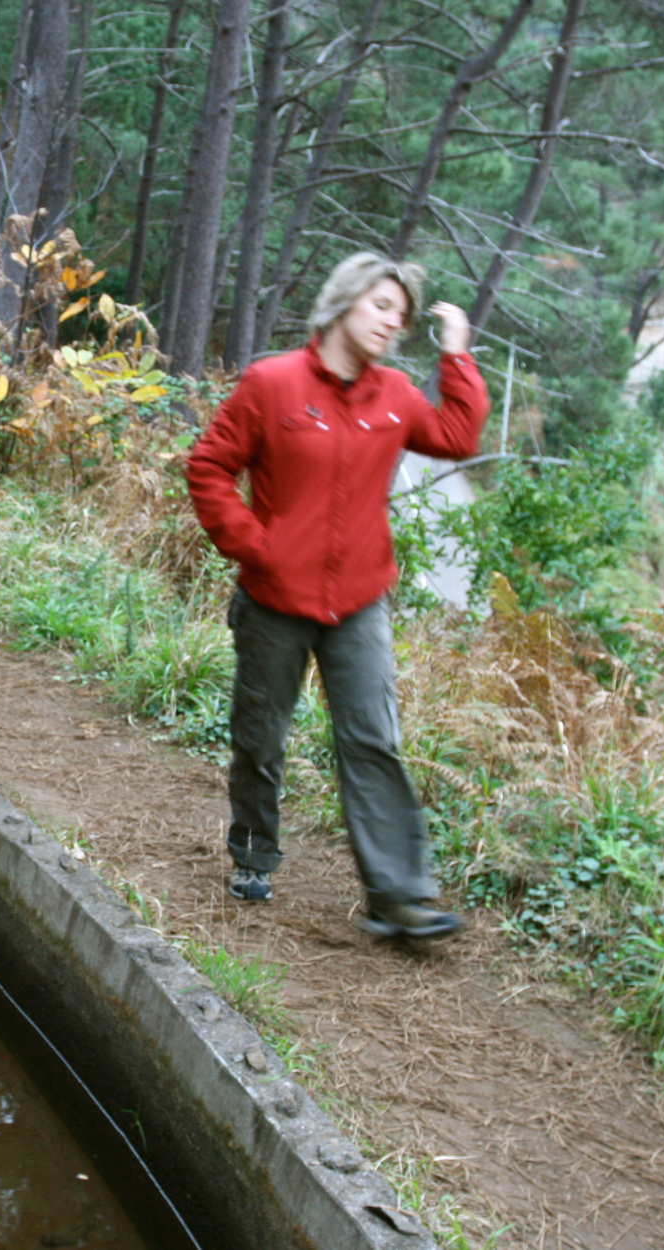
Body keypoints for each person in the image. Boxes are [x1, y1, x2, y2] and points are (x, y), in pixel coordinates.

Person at [185, 251, 488, 941]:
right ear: (344, 302)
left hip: (359, 600)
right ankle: (254, 853)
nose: (393, 323)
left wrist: (458, 355)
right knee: (261, 737)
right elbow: (208, 466)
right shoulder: (273, 384)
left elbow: (456, 435)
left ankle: (399, 896)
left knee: (374, 740)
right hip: (274, 600)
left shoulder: (395, 395)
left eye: (402, 316)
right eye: (382, 306)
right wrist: (254, 544)